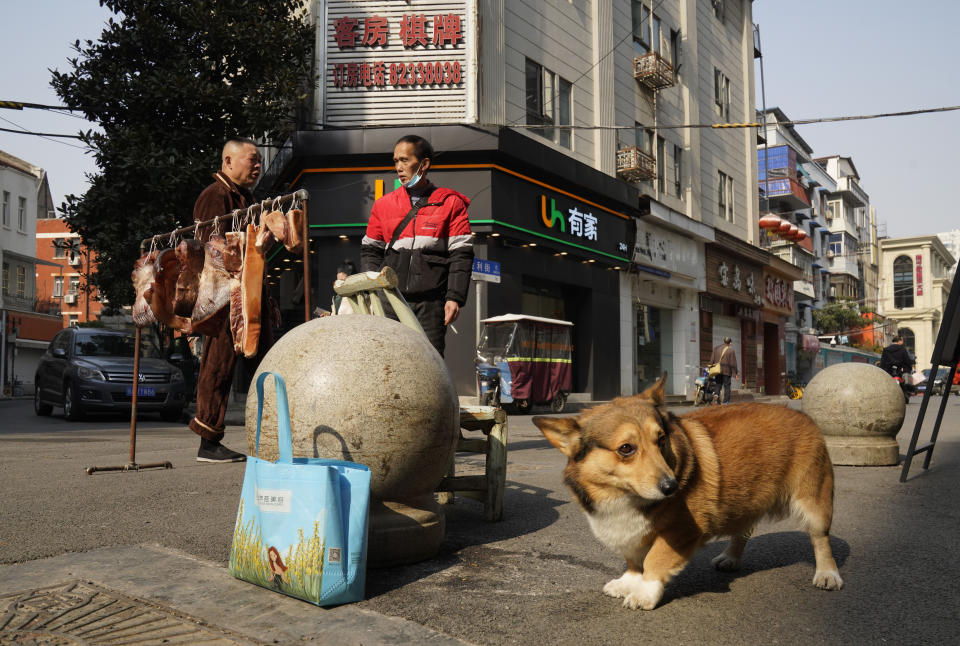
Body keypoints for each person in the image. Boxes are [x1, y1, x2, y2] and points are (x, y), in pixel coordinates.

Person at [189, 137, 272, 463]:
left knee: (266, 359)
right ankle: (208, 441)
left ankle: (274, 436)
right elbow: (211, 248)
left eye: (259, 161)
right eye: (251, 159)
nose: (257, 166)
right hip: (224, 293)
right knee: (218, 365)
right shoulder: (215, 196)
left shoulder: (247, 197)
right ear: (228, 162)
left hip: (249, 291)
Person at [360, 135, 474, 356]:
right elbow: (370, 251)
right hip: (390, 299)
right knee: (387, 360)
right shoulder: (383, 204)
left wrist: (454, 297)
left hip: (431, 303)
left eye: (404, 160)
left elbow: (461, 254)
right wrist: (372, 294)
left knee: (430, 363)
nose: (399, 168)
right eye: (395, 161)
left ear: (424, 164)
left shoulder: (450, 203)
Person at [709, 336, 739, 405]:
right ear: (730, 343)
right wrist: (735, 373)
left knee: (718, 384)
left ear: (724, 341)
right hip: (727, 371)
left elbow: (711, 360)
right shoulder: (731, 350)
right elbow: (733, 363)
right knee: (727, 386)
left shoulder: (716, 348)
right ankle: (725, 402)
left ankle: (716, 395)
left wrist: (710, 368)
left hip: (718, 370)